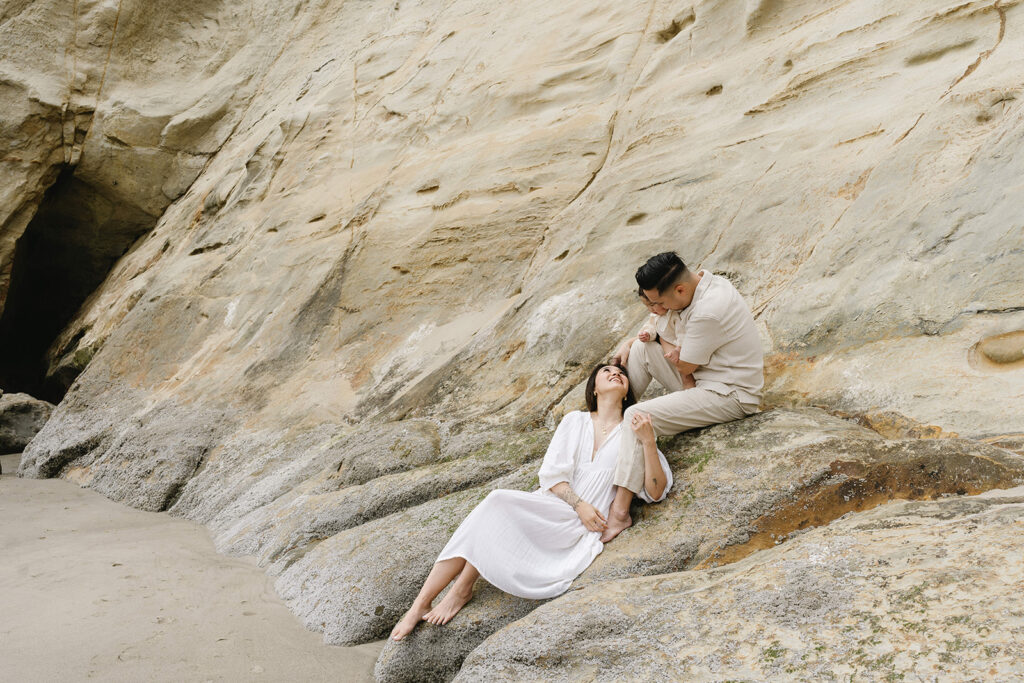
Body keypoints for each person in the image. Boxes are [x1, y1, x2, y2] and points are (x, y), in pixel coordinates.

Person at [390, 363, 672, 641]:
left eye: (622, 373)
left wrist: (648, 443)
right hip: (557, 506)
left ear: (626, 394)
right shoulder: (575, 421)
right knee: (496, 503)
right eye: (606, 372)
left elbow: (656, 491)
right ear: (594, 390)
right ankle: (421, 603)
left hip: (579, 528)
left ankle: (461, 589)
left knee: (497, 513)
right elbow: (552, 475)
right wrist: (580, 505)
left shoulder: (634, 429)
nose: (616, 374)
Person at [602, 252, 763, 543]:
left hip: (728, 393)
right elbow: (664, 334)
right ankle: (603, 428)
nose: (656, 309)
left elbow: (686, 366)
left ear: (680, 289)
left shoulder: (709, 310)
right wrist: (631, 341)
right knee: (639, 351)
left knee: (635, 417)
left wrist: (661, 337)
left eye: (660, 303)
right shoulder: (696, 285)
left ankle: (620, 513)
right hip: (701, 375)